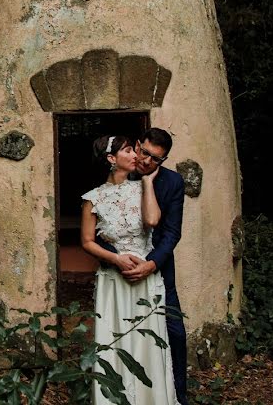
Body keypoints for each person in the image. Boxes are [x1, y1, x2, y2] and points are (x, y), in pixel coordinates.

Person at [81, 135, 178, 405]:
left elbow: (152, 220)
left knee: (148, 341)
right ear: (112, 159)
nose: (136, 155)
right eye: (128, 151)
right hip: (114, 279)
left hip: (146, 277)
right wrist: (116, 259)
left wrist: (146, 182)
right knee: (113, 340)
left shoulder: (145, 187)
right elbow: (87, 241)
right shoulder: (93, 198)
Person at [115, 128, 188, 405]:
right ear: (137, 145)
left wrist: (152, 263)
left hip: (160, 268)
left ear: (163, 160)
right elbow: (101, 225)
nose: (146, 161)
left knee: (175, 334)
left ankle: (178, 397)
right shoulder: (119, 172)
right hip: (122, 268)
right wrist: (116, 258)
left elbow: (172, 233)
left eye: (155, 159)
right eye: (144, 152)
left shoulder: (173, 182)